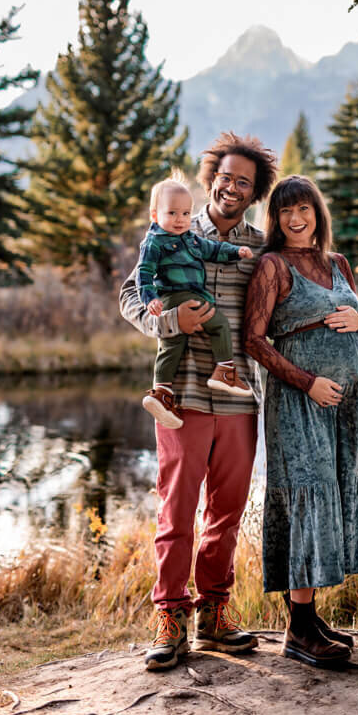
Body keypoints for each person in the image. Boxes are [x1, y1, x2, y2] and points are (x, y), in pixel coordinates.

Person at [119, 132, 278, 671]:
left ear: (254, 193)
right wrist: (164, 320)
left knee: (226, 512)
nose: (232, 187)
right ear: (211, 177)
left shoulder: (261, 246)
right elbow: (129, 295)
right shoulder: (173, 226)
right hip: (180, 397)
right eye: (226, 176)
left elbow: (292, 297)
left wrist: (352, 315)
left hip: (238, 397)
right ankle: (170, 617)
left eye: (244, 182)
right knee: (176, 510)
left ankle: (214, 613)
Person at [244, 174, 358, 669]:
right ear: (275, 220)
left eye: (303, 209)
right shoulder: (273, 267)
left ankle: (310, 617)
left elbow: (357, 323)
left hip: (349, 402)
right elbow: (254, 341)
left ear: (317, 212)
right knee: (308, 491)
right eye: (285, 212)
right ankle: (299, 631)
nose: (296, 219)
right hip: (301, 398)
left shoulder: (338, 263)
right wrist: (307, 382)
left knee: (336, 489)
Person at [137, 172, 254, 430]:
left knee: (172, 346)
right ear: (155, 215)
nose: (180, 220)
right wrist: (150, 299)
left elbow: (214, 250)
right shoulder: (154, 241)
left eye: (186, 214)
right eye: (172, 214)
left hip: (182, 299)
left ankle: (162, 393)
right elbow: (143, 273)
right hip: (177, 297)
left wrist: (236, 252)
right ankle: (224, 370)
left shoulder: (190, 238)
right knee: (220, 324)